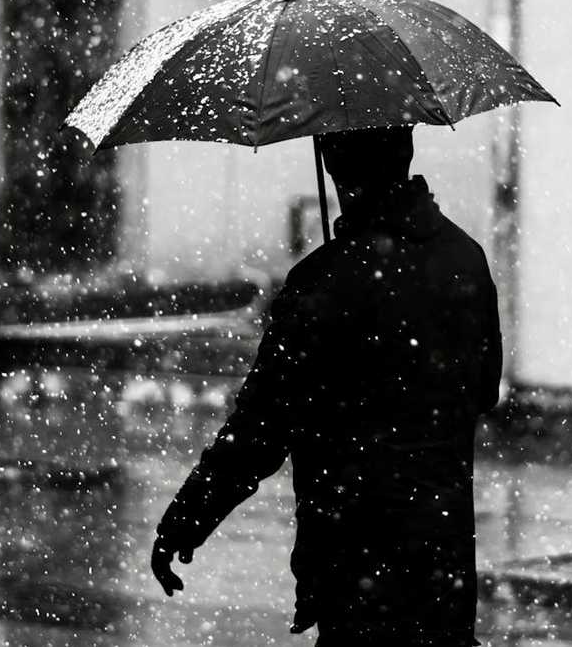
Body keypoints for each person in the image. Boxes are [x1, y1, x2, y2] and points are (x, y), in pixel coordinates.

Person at [151, 125, 503, 646]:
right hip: (443, 564)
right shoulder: (465, 258)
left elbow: (260, 427)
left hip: (355, 567)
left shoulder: (326, 281)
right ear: (406, 150)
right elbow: (483, 390)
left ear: (334, 162)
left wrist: (185, 520)